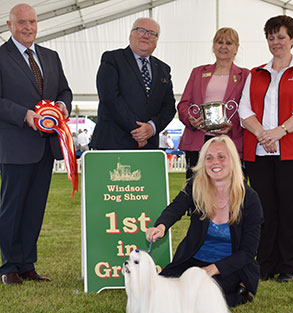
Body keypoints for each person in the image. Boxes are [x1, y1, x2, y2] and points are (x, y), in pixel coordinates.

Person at [0, 4, 72, 285]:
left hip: (46, 146)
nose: (28, 27)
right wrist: (24, 115)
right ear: (9, 25)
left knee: (34, 209)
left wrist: (63, 106)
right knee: (11, 208)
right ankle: (9, 267)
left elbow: (64, 89)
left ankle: (28, 264)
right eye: (21, 23)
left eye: (32, 22)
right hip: (15, 145)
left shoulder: (51, 57)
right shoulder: (1, 57)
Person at [146, 136, 263, 307]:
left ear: (232, 160)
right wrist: (161, 226)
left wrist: (210, 270)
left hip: (229, 267)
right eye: (209, 158)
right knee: (160, 290)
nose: (215, 162)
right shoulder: (195, 186)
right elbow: (175, 208)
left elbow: (247, 252)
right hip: (193, 261)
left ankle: (241, 290)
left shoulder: (250, 198)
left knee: (205, 297)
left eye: (221, 156)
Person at [238, 15, 293, 283]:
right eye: (271, 37)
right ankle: (265, 263)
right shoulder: (256, 73)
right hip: (260, 152)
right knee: (264, 210)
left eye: (281, 37)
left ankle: (289, 265)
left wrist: (280, 131)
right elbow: (244, 110)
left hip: (292, 152)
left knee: (291, 209)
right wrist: (263, 134)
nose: (276, 42)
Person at [91, 17, 176, 150]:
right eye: (141, 31)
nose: (146, 36)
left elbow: (169, 106)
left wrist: (151, 128)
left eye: (152, 33)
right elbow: (110, 98)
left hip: (148, 146)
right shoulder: (112, 59)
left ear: (156, 41)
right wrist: (138, 131)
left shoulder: (164, 69)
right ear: (130, 34)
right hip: (112, 143)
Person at [178, 28, 249, 180]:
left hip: (230, 141)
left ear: (236, 48)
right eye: (219, 42)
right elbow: (183, 105)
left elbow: (249, 108)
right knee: (196, 191)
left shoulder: (245, 75)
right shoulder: (197, 72)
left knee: (232, 191)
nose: (223, 46)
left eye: (229, 43)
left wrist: (234, 124)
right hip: (197, 140)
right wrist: (191, 120)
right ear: (213, 46)